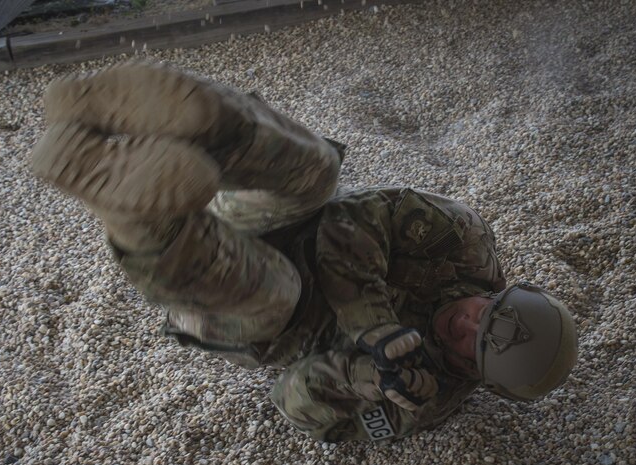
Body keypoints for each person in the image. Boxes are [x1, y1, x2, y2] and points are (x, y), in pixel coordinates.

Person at [31, 61, 578, 443]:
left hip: (266, 316)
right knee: (318, 171)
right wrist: (374, 325)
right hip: (286, 217)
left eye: (472, 344)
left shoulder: (425, 397)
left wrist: (359, 377)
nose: (466, 323)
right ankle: (197, 123)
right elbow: (354, 216)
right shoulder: (464, 241)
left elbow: (296, 407)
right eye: (488, 312)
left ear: (476, 376)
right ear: (501, 293)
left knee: (274, 294)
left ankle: (133, 206)